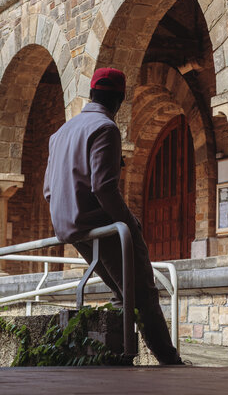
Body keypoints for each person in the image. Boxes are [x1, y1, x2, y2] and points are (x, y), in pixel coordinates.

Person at [43, 67, 183, 365]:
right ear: (119, 100)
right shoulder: (105, 128)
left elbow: (47, 191)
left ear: (91, 94)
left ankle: (118, 355)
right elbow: (104, 188)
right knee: (142, 291)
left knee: (122, 291)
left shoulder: (60, 134)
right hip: (99, 225)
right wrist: (129, 224)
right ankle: (169, 361)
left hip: (70, 228)